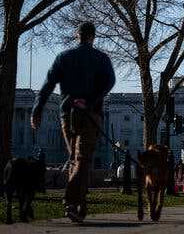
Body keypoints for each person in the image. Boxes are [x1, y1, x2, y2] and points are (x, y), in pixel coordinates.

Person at [31, 22, 115, 223]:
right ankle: (71, 201)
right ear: (93, 36)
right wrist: (91, 100)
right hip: (90, 114)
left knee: (76, 159)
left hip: (66, 114)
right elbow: (110, 82)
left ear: (77, 35)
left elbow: (48, 84)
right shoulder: (102, 58)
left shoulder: (64, 57)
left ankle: (80, 206)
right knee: (82, 159)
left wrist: (37, 109)